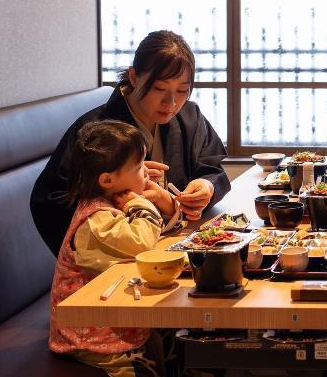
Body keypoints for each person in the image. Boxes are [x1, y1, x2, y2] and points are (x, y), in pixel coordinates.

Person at [31, 30, 231, 257]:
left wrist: (206, 187)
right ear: (134, 77)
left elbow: (213, 168)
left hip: (174, 246)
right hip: (121, 259)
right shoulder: (97, 130)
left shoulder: (189, 117)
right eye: (159, 88)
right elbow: (50, 201)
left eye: (182, 90)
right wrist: (121, 181)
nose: (171, 102)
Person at [48, 120, 177, 376]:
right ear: (107, 179)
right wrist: (142, 205)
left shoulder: (109, 202)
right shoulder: (97, 220)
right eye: (139, 167)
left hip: (110, 319)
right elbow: (141, 242)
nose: (147, 172)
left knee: (177, 341)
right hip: (91, 337)